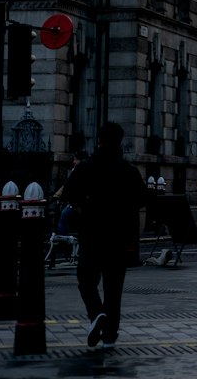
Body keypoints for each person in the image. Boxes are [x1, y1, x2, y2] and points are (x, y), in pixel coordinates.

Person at [61, 121, 145, 348]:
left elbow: (68, 193)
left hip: (92, 234)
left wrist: (83, 209)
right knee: (114, 288)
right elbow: (142, 199)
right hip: (119, 238)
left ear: (99, 140)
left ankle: (97, 313)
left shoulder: (86, 167)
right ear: (119, 142)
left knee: (86, 280)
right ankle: (109, 335)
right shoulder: (129, 171)